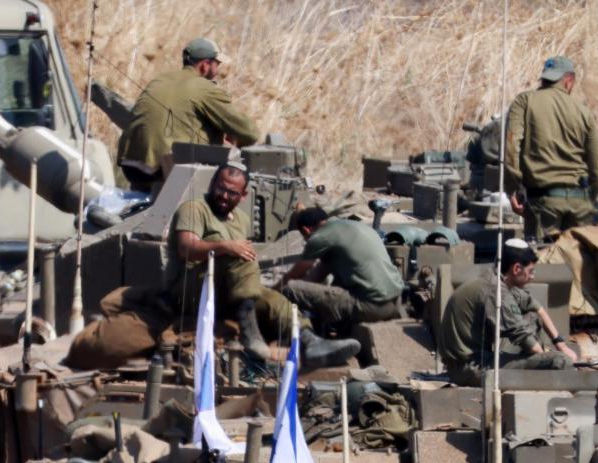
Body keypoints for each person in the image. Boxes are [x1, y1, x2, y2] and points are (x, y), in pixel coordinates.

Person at [168, 167, 358, 370]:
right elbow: (185, 249)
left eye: (232, 193)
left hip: (224, 294)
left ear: (243, 195)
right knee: (239, 253)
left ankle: (310, 341)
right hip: (190, 291)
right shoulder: (194, 208)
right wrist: (225, 246)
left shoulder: (241, 219)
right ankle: (251, 338)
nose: (224, 196)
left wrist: (234, 249)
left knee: (272, 298)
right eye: (220, 189)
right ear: (212, 184)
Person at [117, 38, 262, 192]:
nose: (218, 70)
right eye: (217, 64)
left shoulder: (158, 80)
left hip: (132, 167)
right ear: (205, 65)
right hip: (167, 172)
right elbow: (250, 132)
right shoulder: (204, 88)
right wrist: (234, 140)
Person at [438, 239, 576, 386]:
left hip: (467, 363)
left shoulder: (494, 280)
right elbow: (522, 336)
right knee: (560, 361)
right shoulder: (497, 293)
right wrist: (547, 358)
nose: (533, 276)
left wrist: (560, 345)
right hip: (470, 369)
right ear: (516, 269)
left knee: (531, 316)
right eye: (530, 271)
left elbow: (538, 309)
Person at [504, 56, 598, 242]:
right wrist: (591, 198)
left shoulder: (524, 102)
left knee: (544, 264)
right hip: (580, 203)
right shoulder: (584, 112)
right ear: (569, 81)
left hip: (543, 203)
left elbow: (511, 146)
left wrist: (513, 189)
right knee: (578, 266)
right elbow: (596, 166)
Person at [276, 207, 405, 337]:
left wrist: (274, 290)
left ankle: (310, 341)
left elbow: (295, 274)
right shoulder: (351, 227)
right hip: (396, 301)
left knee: (290, 289)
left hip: (371, 307)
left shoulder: (320, 237)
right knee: (331, 286)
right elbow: (318, 272)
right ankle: (339, 333)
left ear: (306, 230)